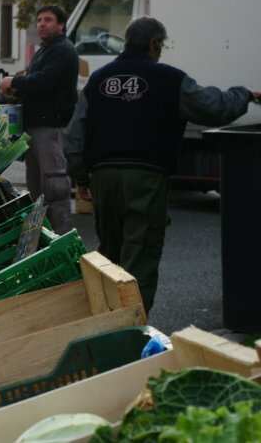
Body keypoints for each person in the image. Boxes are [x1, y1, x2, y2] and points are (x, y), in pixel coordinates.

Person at [66, 16, 259, 312]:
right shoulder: (170, 80)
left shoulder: (98, 79)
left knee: (109, 253)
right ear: (154, 44)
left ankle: (102, 322)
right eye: (161, 45)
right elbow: (213, 107)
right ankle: (130, 333)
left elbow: (76, 133)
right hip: (145, 177)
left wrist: (81, 178)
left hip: (103, 177)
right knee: (139, 256)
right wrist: (243, 95)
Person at [0, 5, 79, 235]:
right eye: (40, 20)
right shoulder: (45, 50)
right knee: (36, 187)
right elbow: (36, 82)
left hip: (49, 127)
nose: (42, 24)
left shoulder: (63, 50)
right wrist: (16, 90)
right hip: (34, 127)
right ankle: (41, 235)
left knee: (54, 185)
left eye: (49, 20)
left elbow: (45, 81)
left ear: (61, 25)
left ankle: (62, 236)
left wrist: (15, 83)